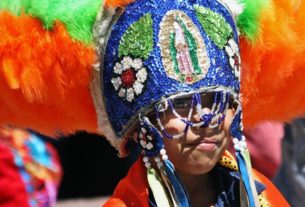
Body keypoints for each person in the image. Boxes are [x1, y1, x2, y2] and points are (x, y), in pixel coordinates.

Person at [1, 0, 305, 206]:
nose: (204, 119)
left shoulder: (264, 194)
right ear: (143, 126)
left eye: (216, 101)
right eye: (181, 105)